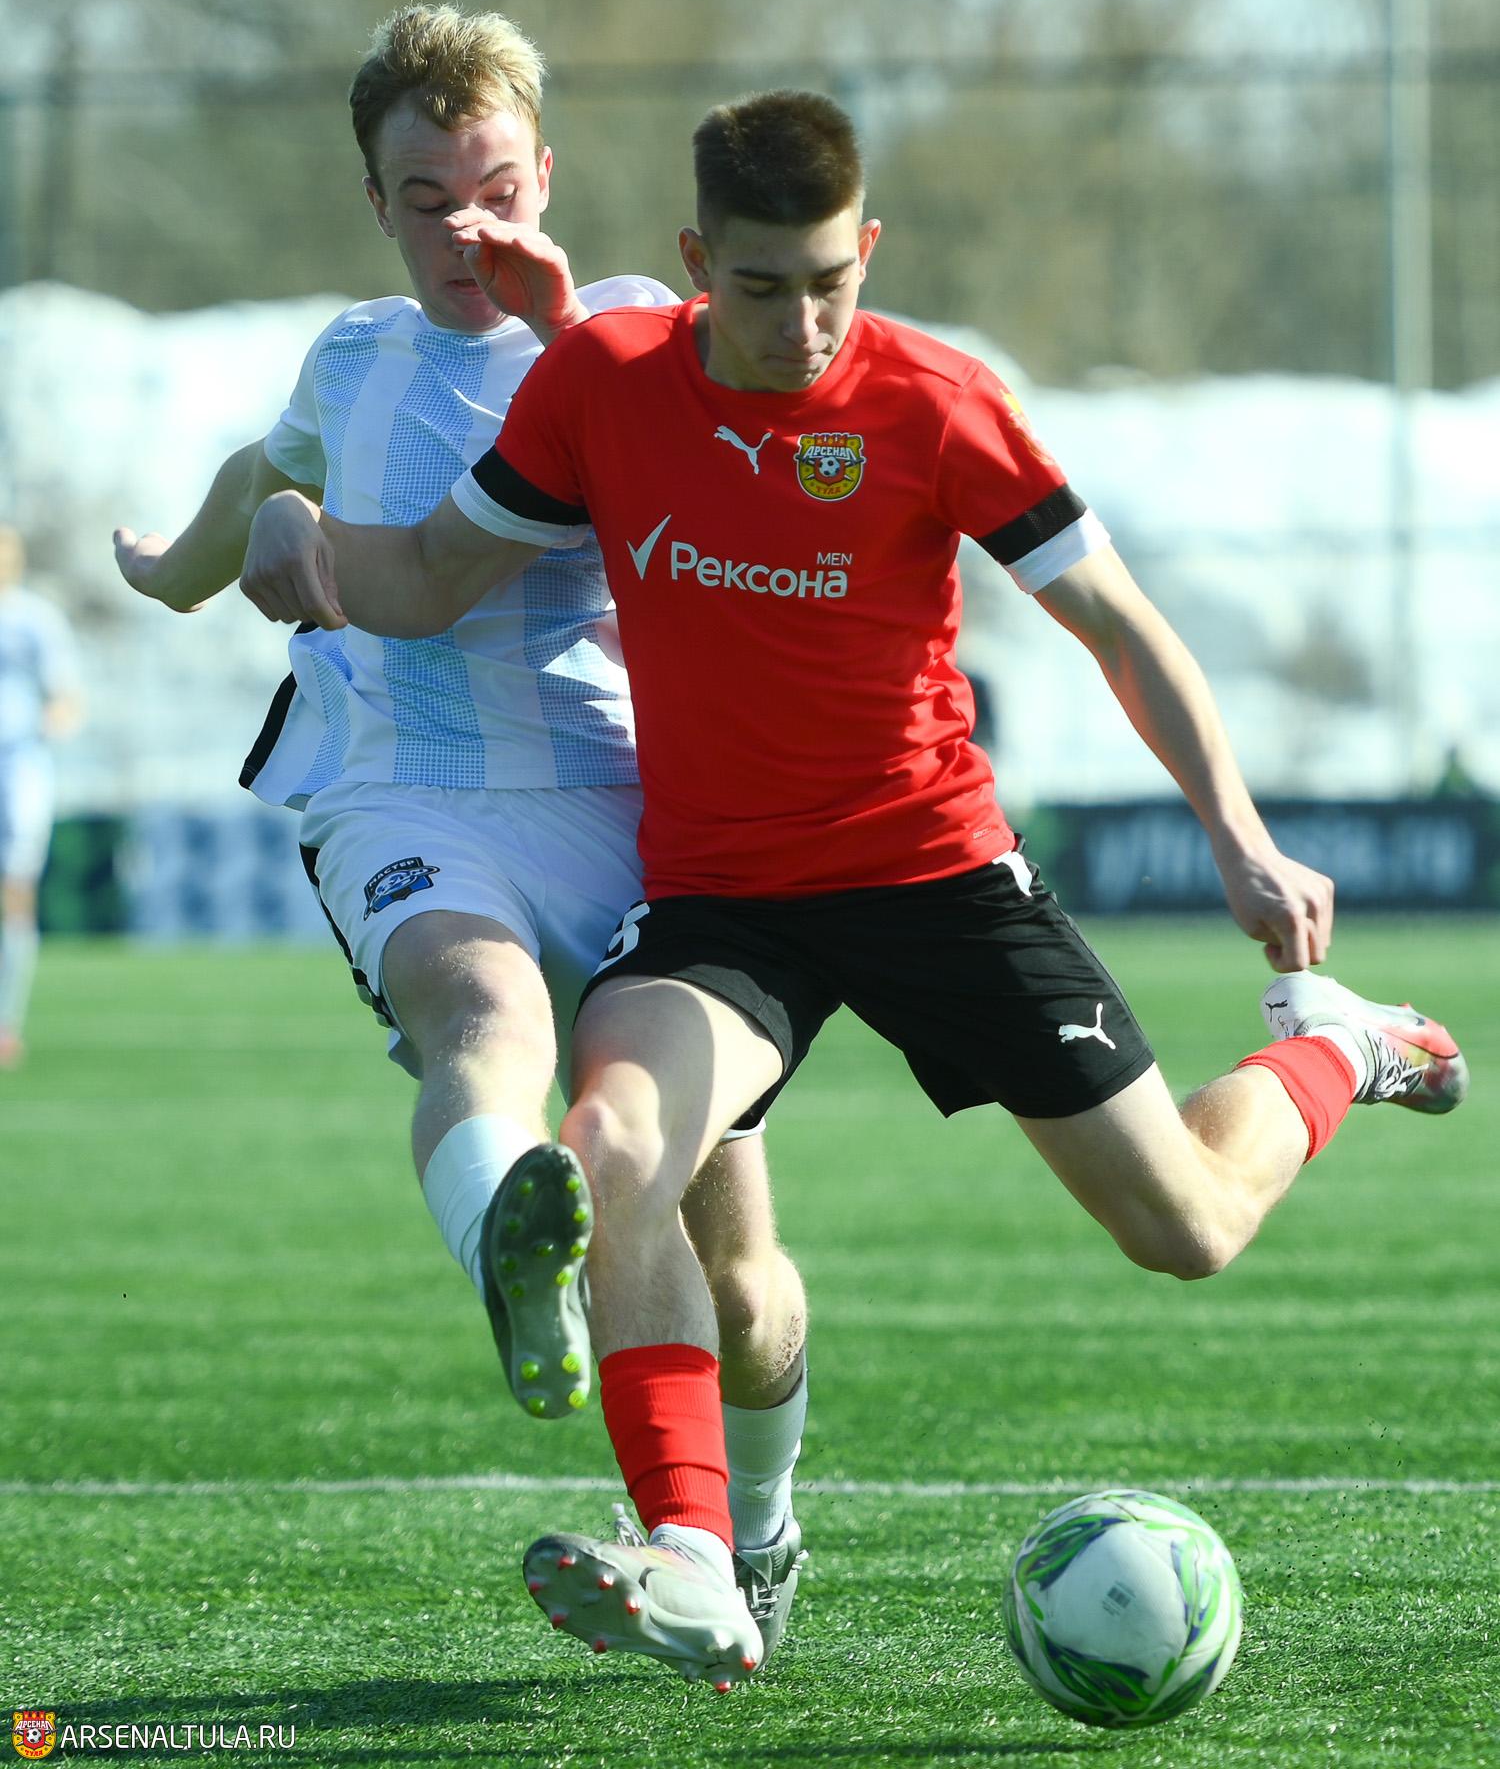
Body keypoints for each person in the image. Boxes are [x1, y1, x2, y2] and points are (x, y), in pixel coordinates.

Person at [242, 88, 1469, 1692]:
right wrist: (293, 531)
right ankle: (693, 1554)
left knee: (1187, 1227)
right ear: (698, 264)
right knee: (611, 1147)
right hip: (722, 904)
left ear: (867, 249)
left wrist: (1240, 833)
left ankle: (1342, 1044)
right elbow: (423, 576)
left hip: (935, 873)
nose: (804, 323)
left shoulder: (938, 402)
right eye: (762, 287)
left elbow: (1119, 623)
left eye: (831, 281)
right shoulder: (603, 382)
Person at [114, 12, 814, 1662]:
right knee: (480, 1016)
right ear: (377, 203)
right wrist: (195, 562)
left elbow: (768, 483)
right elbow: (266, 472)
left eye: (494, 188)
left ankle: (763, 1525)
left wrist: (580, 340)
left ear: (546, 175)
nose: (466, 228)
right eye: (426, 199)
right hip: (412, 791)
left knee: (740, 1274)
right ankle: (514, 1238)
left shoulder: (645, 328)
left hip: (634, 811)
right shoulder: (352, 357)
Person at [0, 524, 83, 1068]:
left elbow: (67, 698)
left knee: (15, 889)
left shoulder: (35, 620)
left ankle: (5, 1021)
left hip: (18, 769)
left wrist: (47, 723)